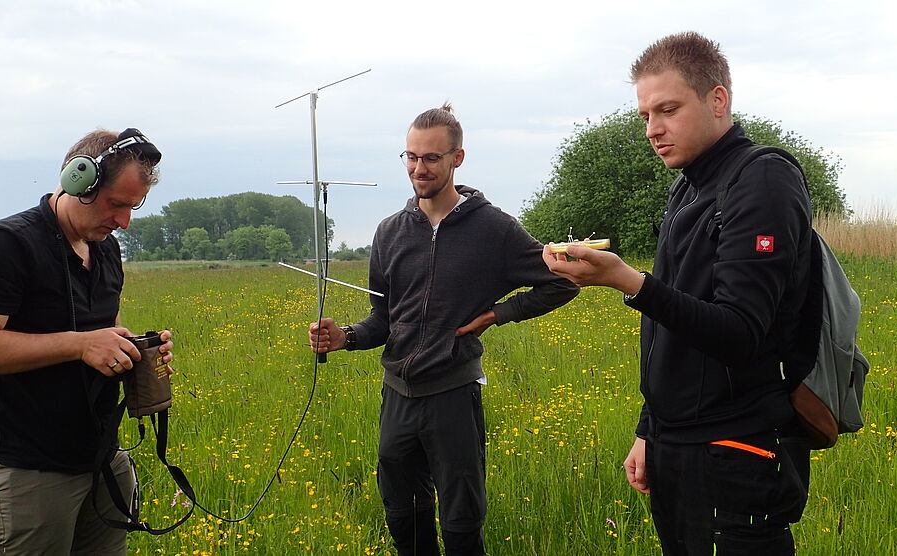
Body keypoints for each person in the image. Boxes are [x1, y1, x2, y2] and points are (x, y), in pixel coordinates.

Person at [543, 32, 813, 555]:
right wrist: (651, 428)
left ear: (718, 100)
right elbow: (671, 324)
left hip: (736, 451)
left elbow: (740, 331)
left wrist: (627, 280)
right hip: (677, 445)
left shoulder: (762, 181)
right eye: (645, 115)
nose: (653, 129)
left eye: (667, 109)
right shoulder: (688, 185)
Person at [308, 104, 579, 555]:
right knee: (403, 518)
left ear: (458, 158)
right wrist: (345, 337)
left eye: (432, 158)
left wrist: (497, 315)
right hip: (397, 396)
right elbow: (383, 320)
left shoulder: (493, 230)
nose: (419, 168)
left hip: (453, 396)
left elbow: (563, 280)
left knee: (461, 522)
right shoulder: (390, 232)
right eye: (411, 157)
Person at [0, 128, 174, 555]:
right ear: (78, 181)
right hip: (31, 469)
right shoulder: (7, 245)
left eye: (133, 207)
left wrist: (136, 352)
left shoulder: (105, 248)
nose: (123, 220)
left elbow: (105, 327)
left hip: (104, 458)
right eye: (116, 204)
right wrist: (80, 345)